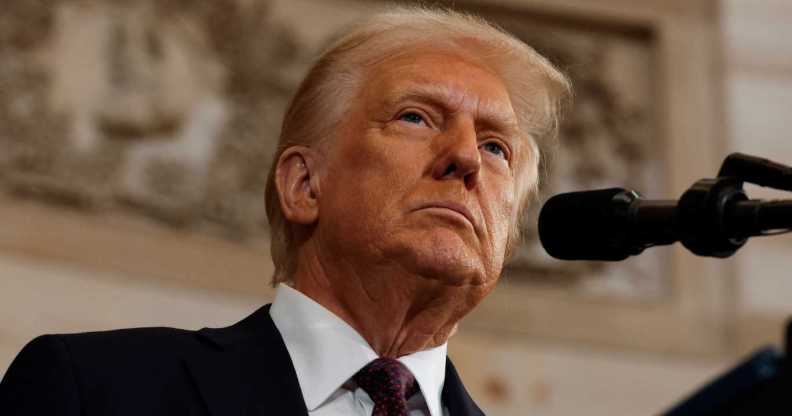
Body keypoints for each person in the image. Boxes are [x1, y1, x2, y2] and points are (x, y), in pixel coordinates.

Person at [0, 5, 570, 416]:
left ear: (507, 235)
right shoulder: (97, 390)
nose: (466, 157)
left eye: (497, 148)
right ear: (304, 185)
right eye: (416, 117)